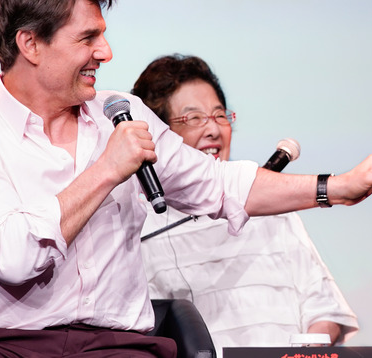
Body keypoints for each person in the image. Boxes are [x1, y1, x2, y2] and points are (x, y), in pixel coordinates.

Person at [0, 0, 372, 357]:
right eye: (87, 38)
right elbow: (15, 259)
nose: (107, 52)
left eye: (103, 34)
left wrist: (337, 187)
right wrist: (105, 172)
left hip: (115, 345)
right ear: (30, 43)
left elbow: (219, 185)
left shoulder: (123, 113)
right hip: (6, 346)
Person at [131, 54, 359, 354]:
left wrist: (307, 348)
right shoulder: (140, 226)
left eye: (219, 115)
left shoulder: (271, 209)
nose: (214, 129)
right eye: (194, 118)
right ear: (159, 137)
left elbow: (324, 309)